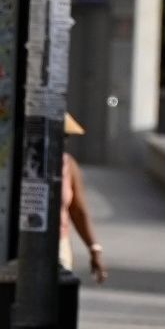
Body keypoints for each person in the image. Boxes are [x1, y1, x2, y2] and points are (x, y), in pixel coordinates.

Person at [60, 113, 107, 283]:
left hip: (58, 244)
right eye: (61, 135)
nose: (64, 141)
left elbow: (78, 210)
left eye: (66, 137)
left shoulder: (68, 164)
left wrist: (94, 249)